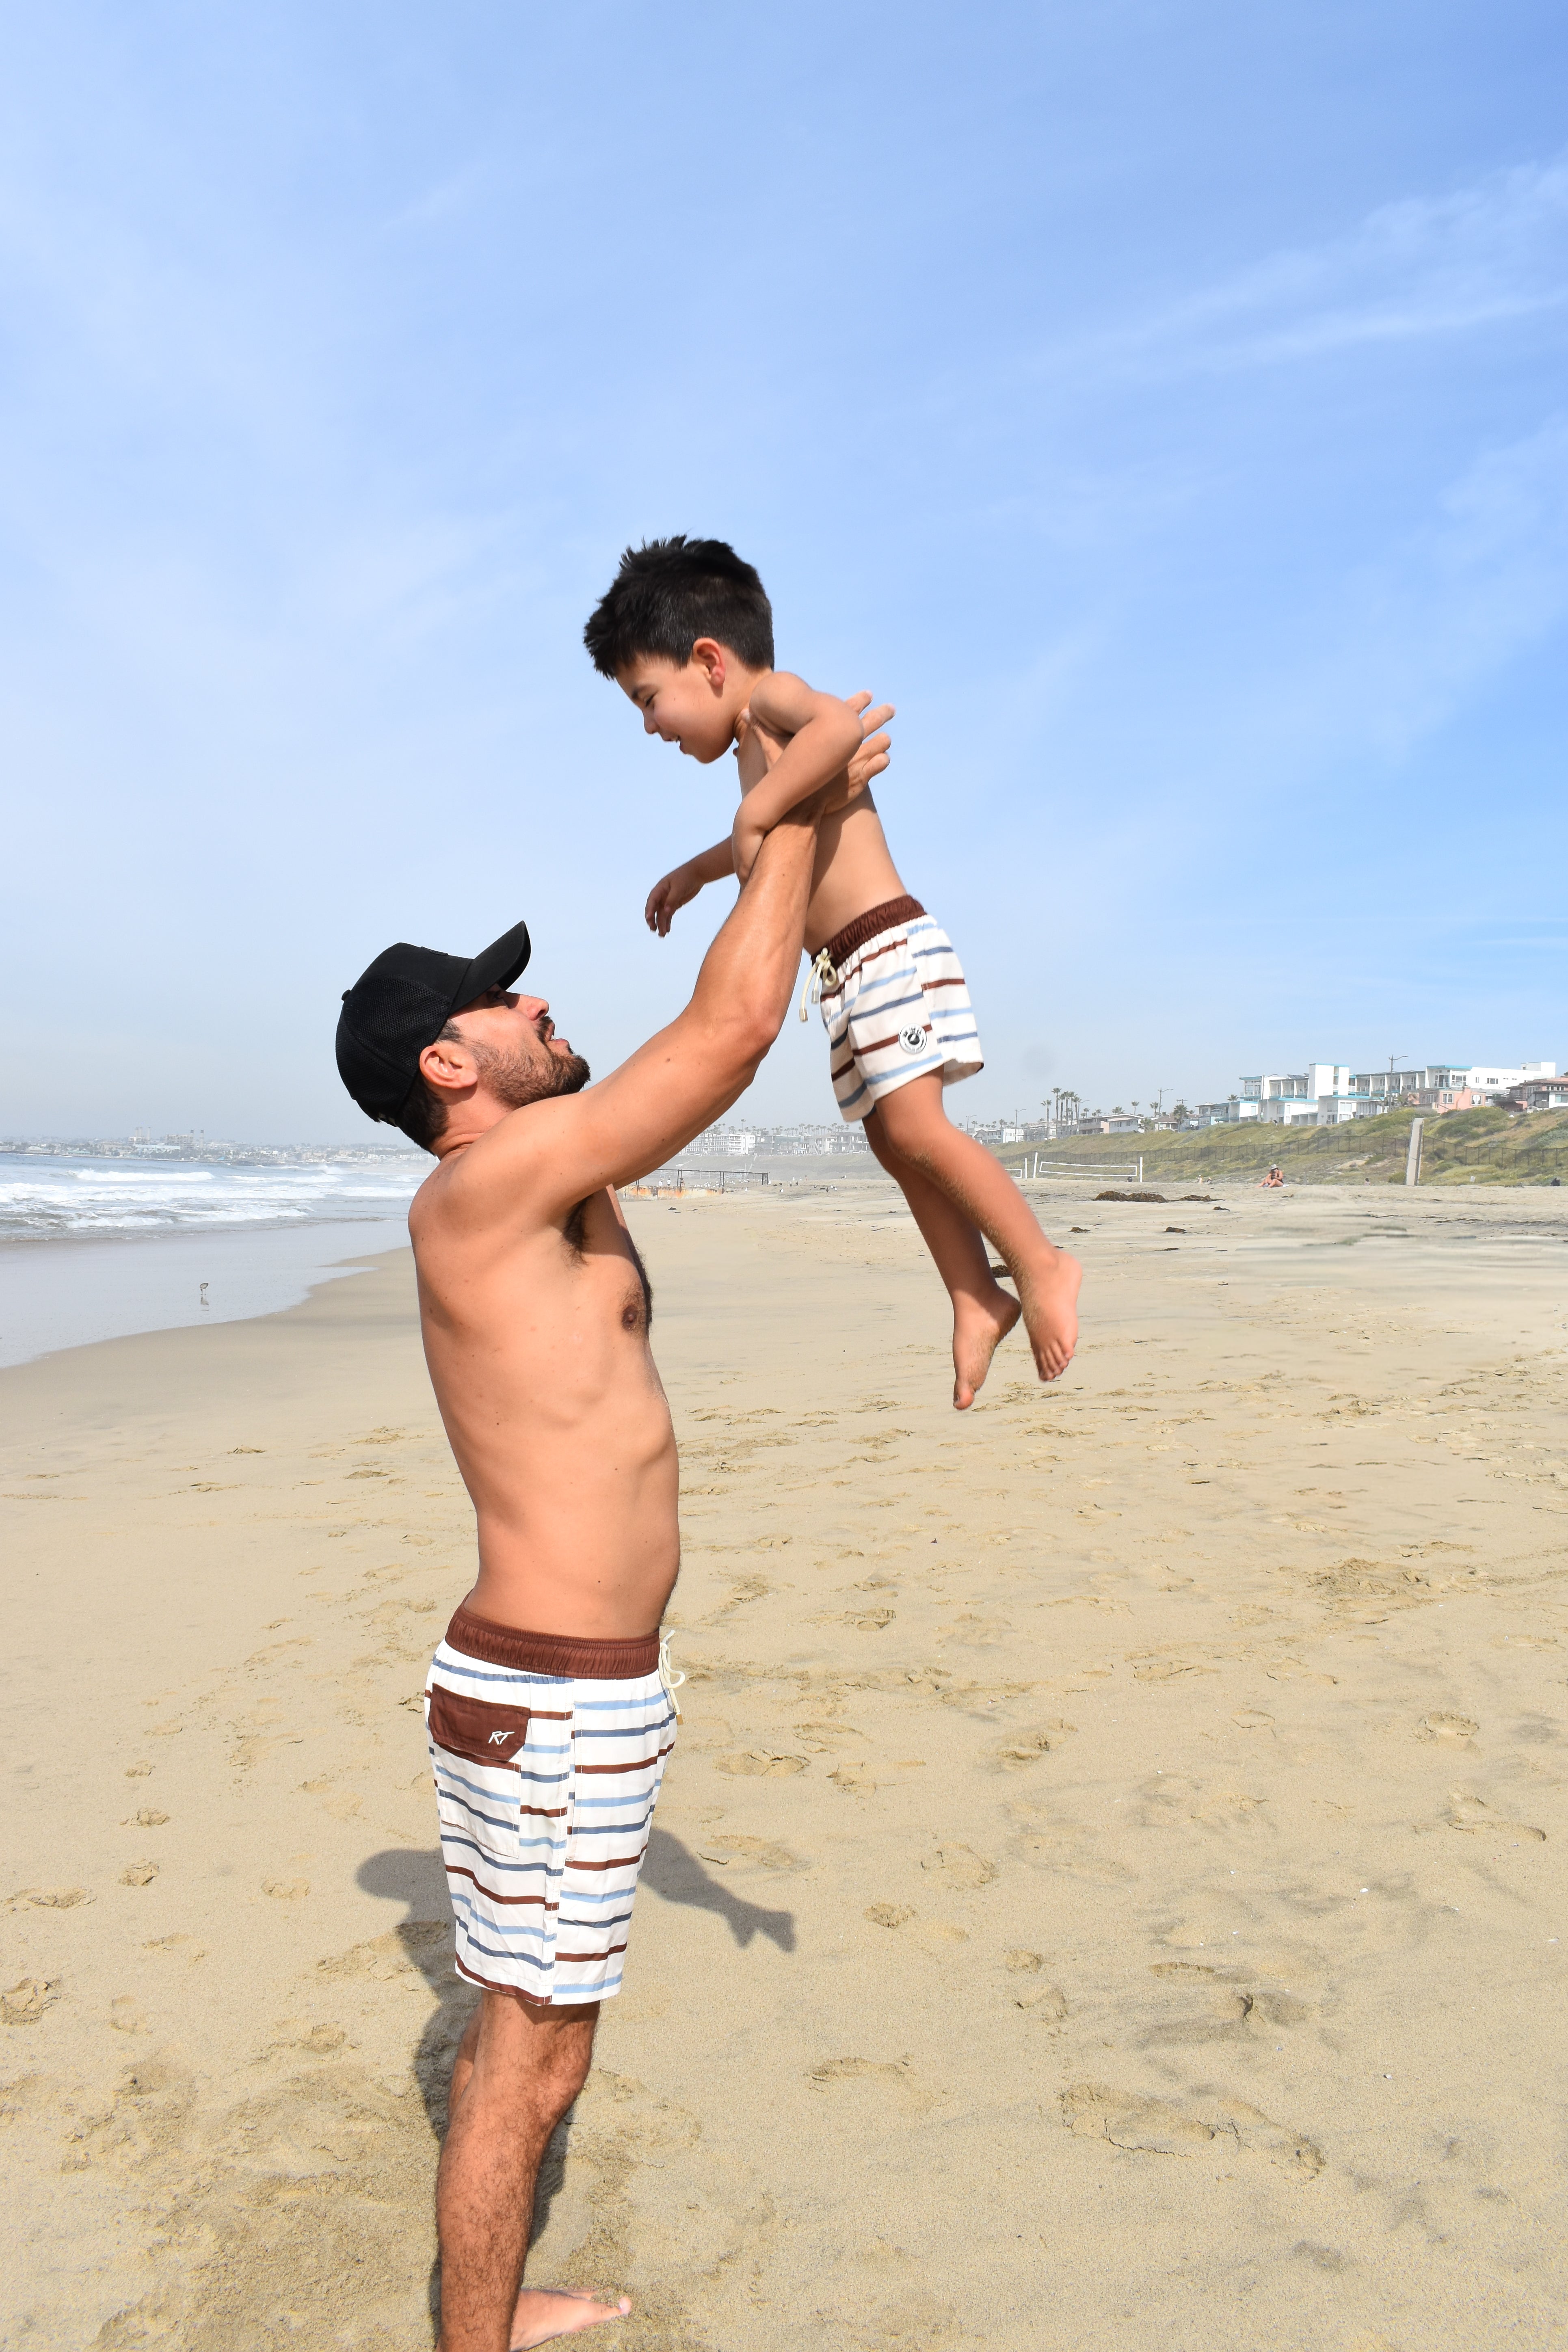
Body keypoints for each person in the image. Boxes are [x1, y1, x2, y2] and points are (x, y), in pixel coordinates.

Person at [333, 742, 880, 2352]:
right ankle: (474, 2337)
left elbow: (682, 1054)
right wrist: (789, 815)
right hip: (551, 1693)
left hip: (570, 1687)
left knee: (533, 2034)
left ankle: (487, 2311)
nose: (541, 1002)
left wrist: (759, 843)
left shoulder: (546, 1179)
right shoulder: (484, 1191)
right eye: (507, 1002)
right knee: (530, 2049)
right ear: (448, 1061)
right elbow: (723, 1035)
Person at [584, 536, 1081, 1409]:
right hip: (844, 967)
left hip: (884, 942)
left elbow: (839, 728)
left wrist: (759, 808)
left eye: (647, 698)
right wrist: (704, 869)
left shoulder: (771, 700)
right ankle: (973, 1294)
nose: (648, 725)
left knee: (918, 1129)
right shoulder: (750, 748)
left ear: (708, 661)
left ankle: (1041, 1265)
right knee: (893, 1142)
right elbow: (766, 828)